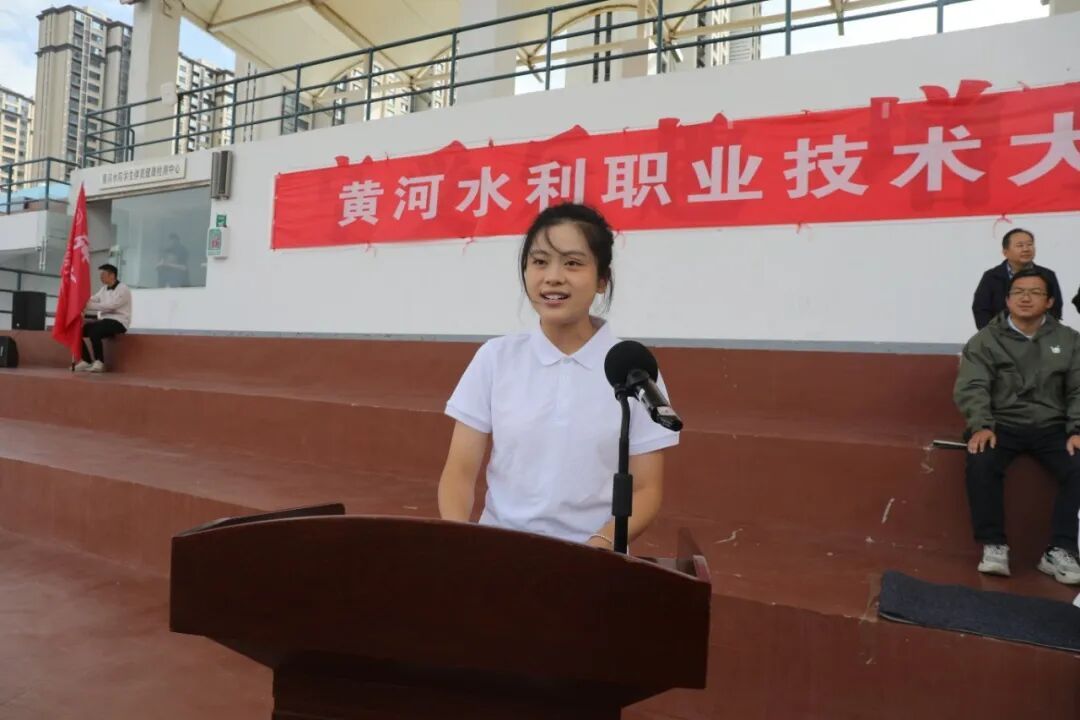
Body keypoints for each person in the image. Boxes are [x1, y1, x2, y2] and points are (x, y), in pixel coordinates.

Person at [437, 203, 679, 549]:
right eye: (539, 262)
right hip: (499, 550)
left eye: (572, 263)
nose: (552, 277)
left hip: (592, 557)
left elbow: (646, 489)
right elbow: (459, 473)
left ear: (602, 280)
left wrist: (598, 547)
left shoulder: (631, 368)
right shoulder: (496, 357)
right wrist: (461, 543)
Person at [954, 267, 1080, 584]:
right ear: (1007, 300)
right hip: (1001, 424)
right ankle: (993, 545)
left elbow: (1078, 389)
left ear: (1049, 301)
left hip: (1052, 426)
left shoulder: (1069, 340)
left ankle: (1061, 549)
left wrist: (1077, 429)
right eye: (1018, 292)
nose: (1026, 298)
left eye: (1035, 292)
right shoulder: (985, 340)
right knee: (981, 460)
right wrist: (981, 424)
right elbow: (972, 386)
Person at [971, 228, 1062, 330]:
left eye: (1030, 244)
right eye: (1020, 245)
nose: (1026, 249)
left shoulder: (1047, 275)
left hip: (1039, 334)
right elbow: (981, 310)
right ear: (1005, 252)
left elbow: (1055, 309)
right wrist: (992, 335)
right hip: (999, 334)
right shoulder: (991, 276)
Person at [75, 263, 132, 373]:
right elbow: (93, 299)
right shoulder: (104, 289)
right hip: (105, 321)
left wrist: (88, 306)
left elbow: (111, 306)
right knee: (78, 332)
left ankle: (99, 362)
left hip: (119, 322)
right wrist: (81, 300)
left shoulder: (123, 289)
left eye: (103, 274)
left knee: (95, 331)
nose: (100, 277)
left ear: (112, 275)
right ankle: (86, 360)